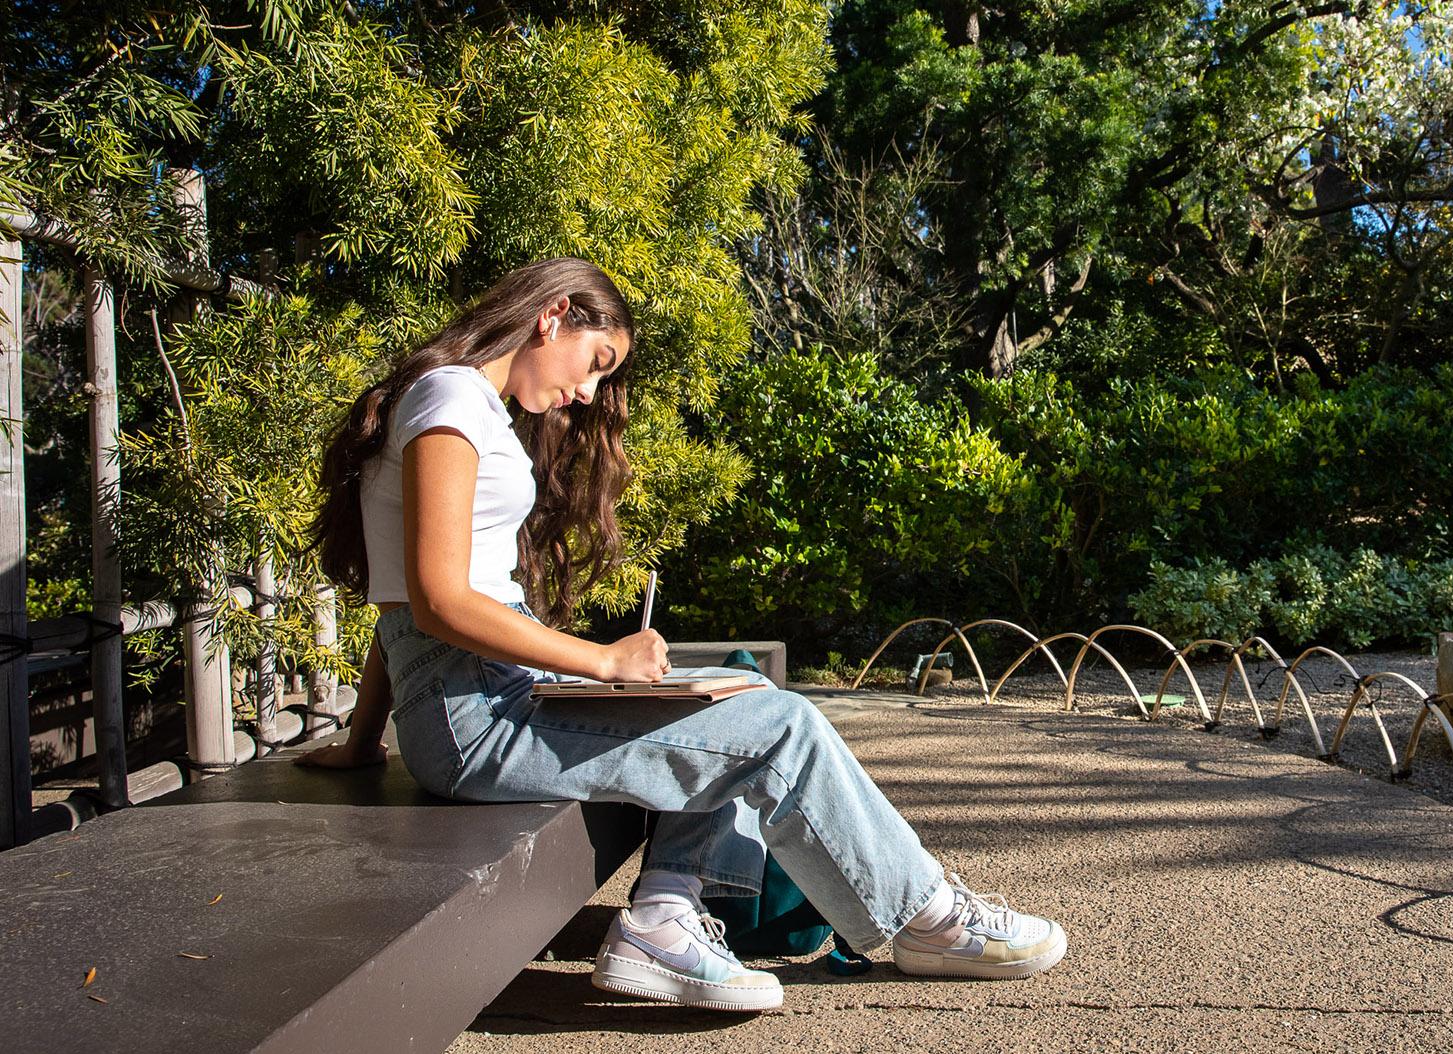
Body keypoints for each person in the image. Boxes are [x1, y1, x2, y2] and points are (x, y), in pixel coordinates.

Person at [297, 257, 1065, 1012]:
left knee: (741, 695)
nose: (587, 391)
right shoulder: (451, 398)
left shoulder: (462, 403)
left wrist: (367, 740)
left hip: (481, 704)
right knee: (782, 728)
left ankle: (662, 919)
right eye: (597, 362)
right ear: (553, 315)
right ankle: (925, 919)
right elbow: (435, 602)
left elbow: (397, 607)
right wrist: (602, 662)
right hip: (478, 717)